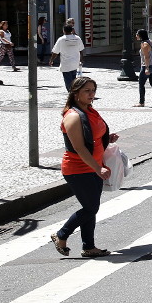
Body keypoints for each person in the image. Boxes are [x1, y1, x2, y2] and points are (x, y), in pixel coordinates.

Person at [49, 77, 116, 258]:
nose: (91, 94)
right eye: (87, 90)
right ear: (75, 93)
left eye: (93, 90)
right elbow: (78, 147)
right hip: (78, 169)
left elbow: (91, 136)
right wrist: (97, 168)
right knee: (90, 208)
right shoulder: (73, 116)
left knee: (90, 207)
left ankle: (89, 247)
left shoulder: (90, 111)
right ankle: (61, 235)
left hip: (94, 166)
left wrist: (107, 138)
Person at [49, 24, 86, 90]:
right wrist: (81, 59)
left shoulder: (61, 39)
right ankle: (74, 91)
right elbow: (81, 50)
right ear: (72, 30)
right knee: (73, 79)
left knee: (68, 80)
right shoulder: (77, 38)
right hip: (75, 62)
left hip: (66, 64)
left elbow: (55, 52)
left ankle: (71, 93)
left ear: (63, 31)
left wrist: (51, 60)